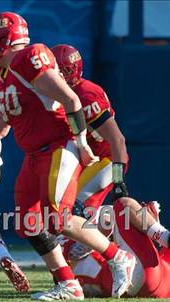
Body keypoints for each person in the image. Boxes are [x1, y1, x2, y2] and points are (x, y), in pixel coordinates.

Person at [0, 12, 135, 300]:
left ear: (4, 38)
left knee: (59, 219)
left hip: (57, 148)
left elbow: (71, 100)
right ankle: (68, 283)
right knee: (28, 222)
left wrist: (80, 141)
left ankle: (117, 257)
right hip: (33, 156)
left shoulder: (30, 58)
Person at [51, 44, 128, 214]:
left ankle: (145, 223)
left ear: (74, 71)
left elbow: (117, 139)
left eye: (63, 71)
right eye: (55, 71)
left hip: (105, 159)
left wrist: (118, 180)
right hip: (83, 160)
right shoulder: (52, 92)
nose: (58, 76)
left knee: (72, 210)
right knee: (64, 207)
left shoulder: (86, 95)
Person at [61, 198, 170, 298]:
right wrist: (147, 220)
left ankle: (158, 233)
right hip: (147, 277)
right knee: (123, 204)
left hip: (142, 281)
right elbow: (108, 221)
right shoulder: (70, 246)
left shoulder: (64, 252)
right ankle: (161, 235)